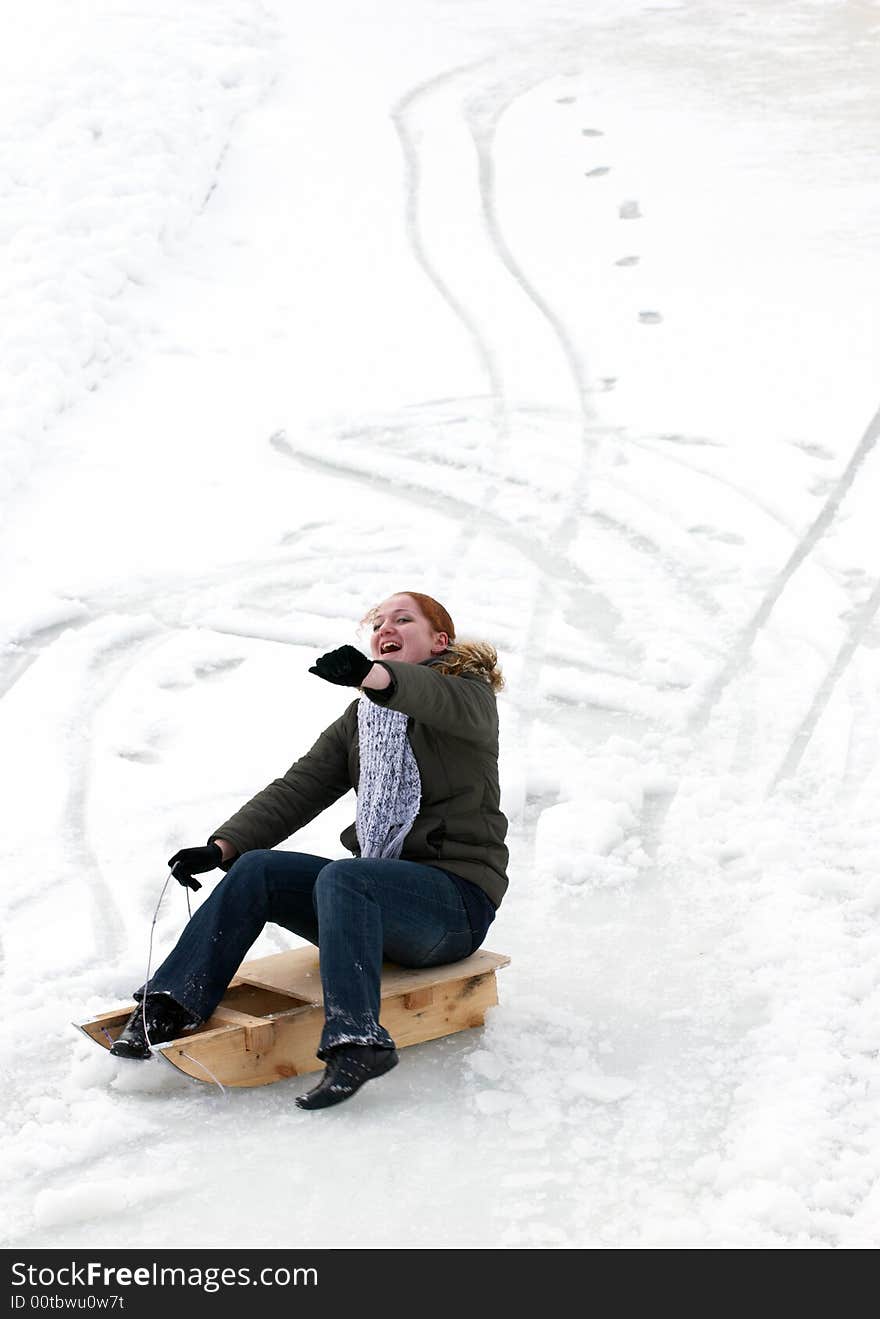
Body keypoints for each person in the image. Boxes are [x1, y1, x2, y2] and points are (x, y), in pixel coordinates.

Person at [110, 591, 509, 1109]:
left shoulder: (469, 699)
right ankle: (169, 1006)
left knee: (348, 876)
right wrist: (221, 846)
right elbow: (299, 787)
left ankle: (357, 1040)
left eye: (403, 619)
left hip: (452, 909)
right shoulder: (361, 722)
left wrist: (378, 678)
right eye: (378, 622)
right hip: (375, 907)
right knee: (259, 870)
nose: (386, 627)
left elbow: (431, 696)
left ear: (440, 640)